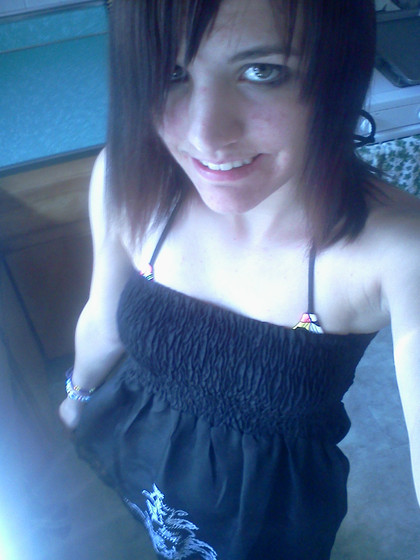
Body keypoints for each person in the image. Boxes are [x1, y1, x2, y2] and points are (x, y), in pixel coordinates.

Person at [59, 0, 420, 558]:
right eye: (170, 71)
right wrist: (76, 396)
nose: (205, 134)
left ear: (339, 71)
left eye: (262, 70)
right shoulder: (130, 177)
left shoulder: (399, 250)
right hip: (129, 452)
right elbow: (103, 319)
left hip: (263, 522)